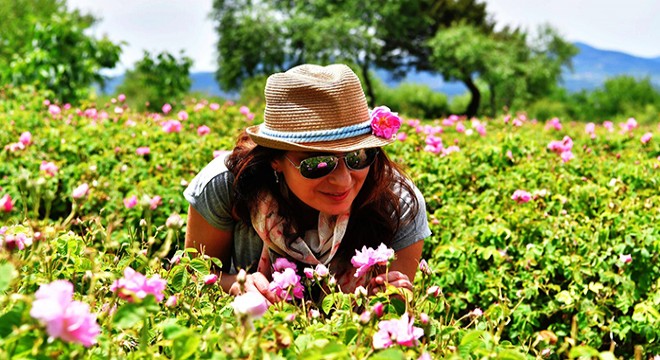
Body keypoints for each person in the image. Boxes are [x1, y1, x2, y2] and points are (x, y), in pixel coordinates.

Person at [183, 63, 431, 304]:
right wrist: (234, 284)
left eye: (359, 157)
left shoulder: (398, 201)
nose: (343, 180)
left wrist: (390, 301)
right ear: (275, 159)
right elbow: (192, 279)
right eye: (319, 163)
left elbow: (395, 323)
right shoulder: (225, 185)